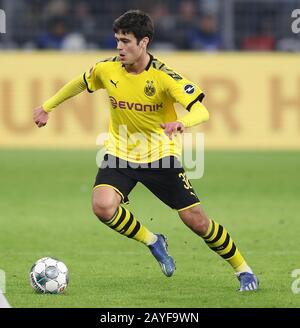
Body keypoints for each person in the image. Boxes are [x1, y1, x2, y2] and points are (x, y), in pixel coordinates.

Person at [33, 10, 258, 292]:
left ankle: (244, 270)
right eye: (117, 40)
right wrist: (47, 106)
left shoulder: (165, 77)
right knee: (102, 206)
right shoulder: (107, 69)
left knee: (197, 222)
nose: (119, 47)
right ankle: (153, 241)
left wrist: (181, 122)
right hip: (120, 152)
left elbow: (202, 110)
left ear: (144, 43)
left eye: (126, 41)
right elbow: (80, 82)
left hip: (159, 157)